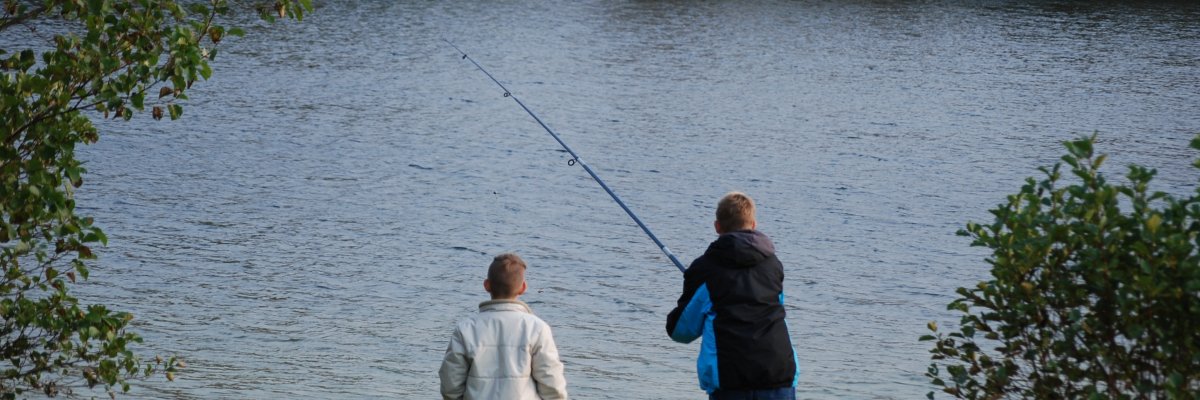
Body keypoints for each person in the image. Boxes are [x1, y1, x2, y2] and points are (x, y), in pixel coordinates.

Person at [666, 192, 799, 399]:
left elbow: (681, 331)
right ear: (753, 224)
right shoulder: (773, 265)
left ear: (717, 226)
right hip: (779, 375)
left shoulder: (705, 269)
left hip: (731, 382)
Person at [439, 253, 569, 400]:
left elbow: (450, 383)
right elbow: (552, 384)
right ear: (523, 288)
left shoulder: (465, 329)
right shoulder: (537, 328)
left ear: (487, 285)